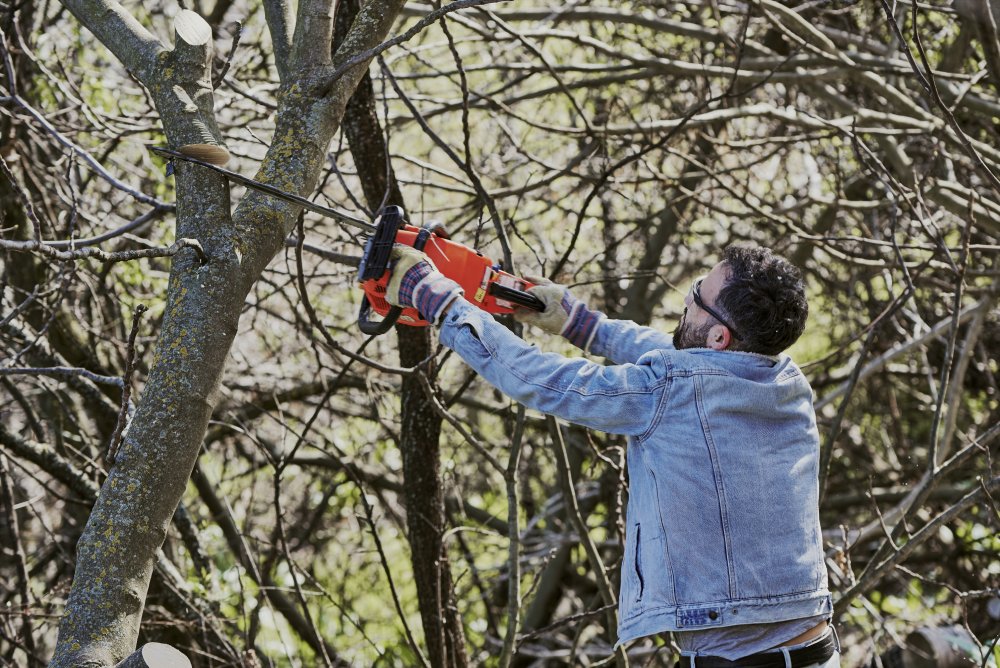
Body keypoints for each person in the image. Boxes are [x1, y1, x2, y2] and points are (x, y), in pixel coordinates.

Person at [385, 244, 839, 667]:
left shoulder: (671, 392)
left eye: (698, 295)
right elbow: (676, 356)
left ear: (720, 336)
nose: (687, 298)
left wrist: (441, 303)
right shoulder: (784, 382)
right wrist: (574, 321)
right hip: (814, 647)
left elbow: (542, 380)